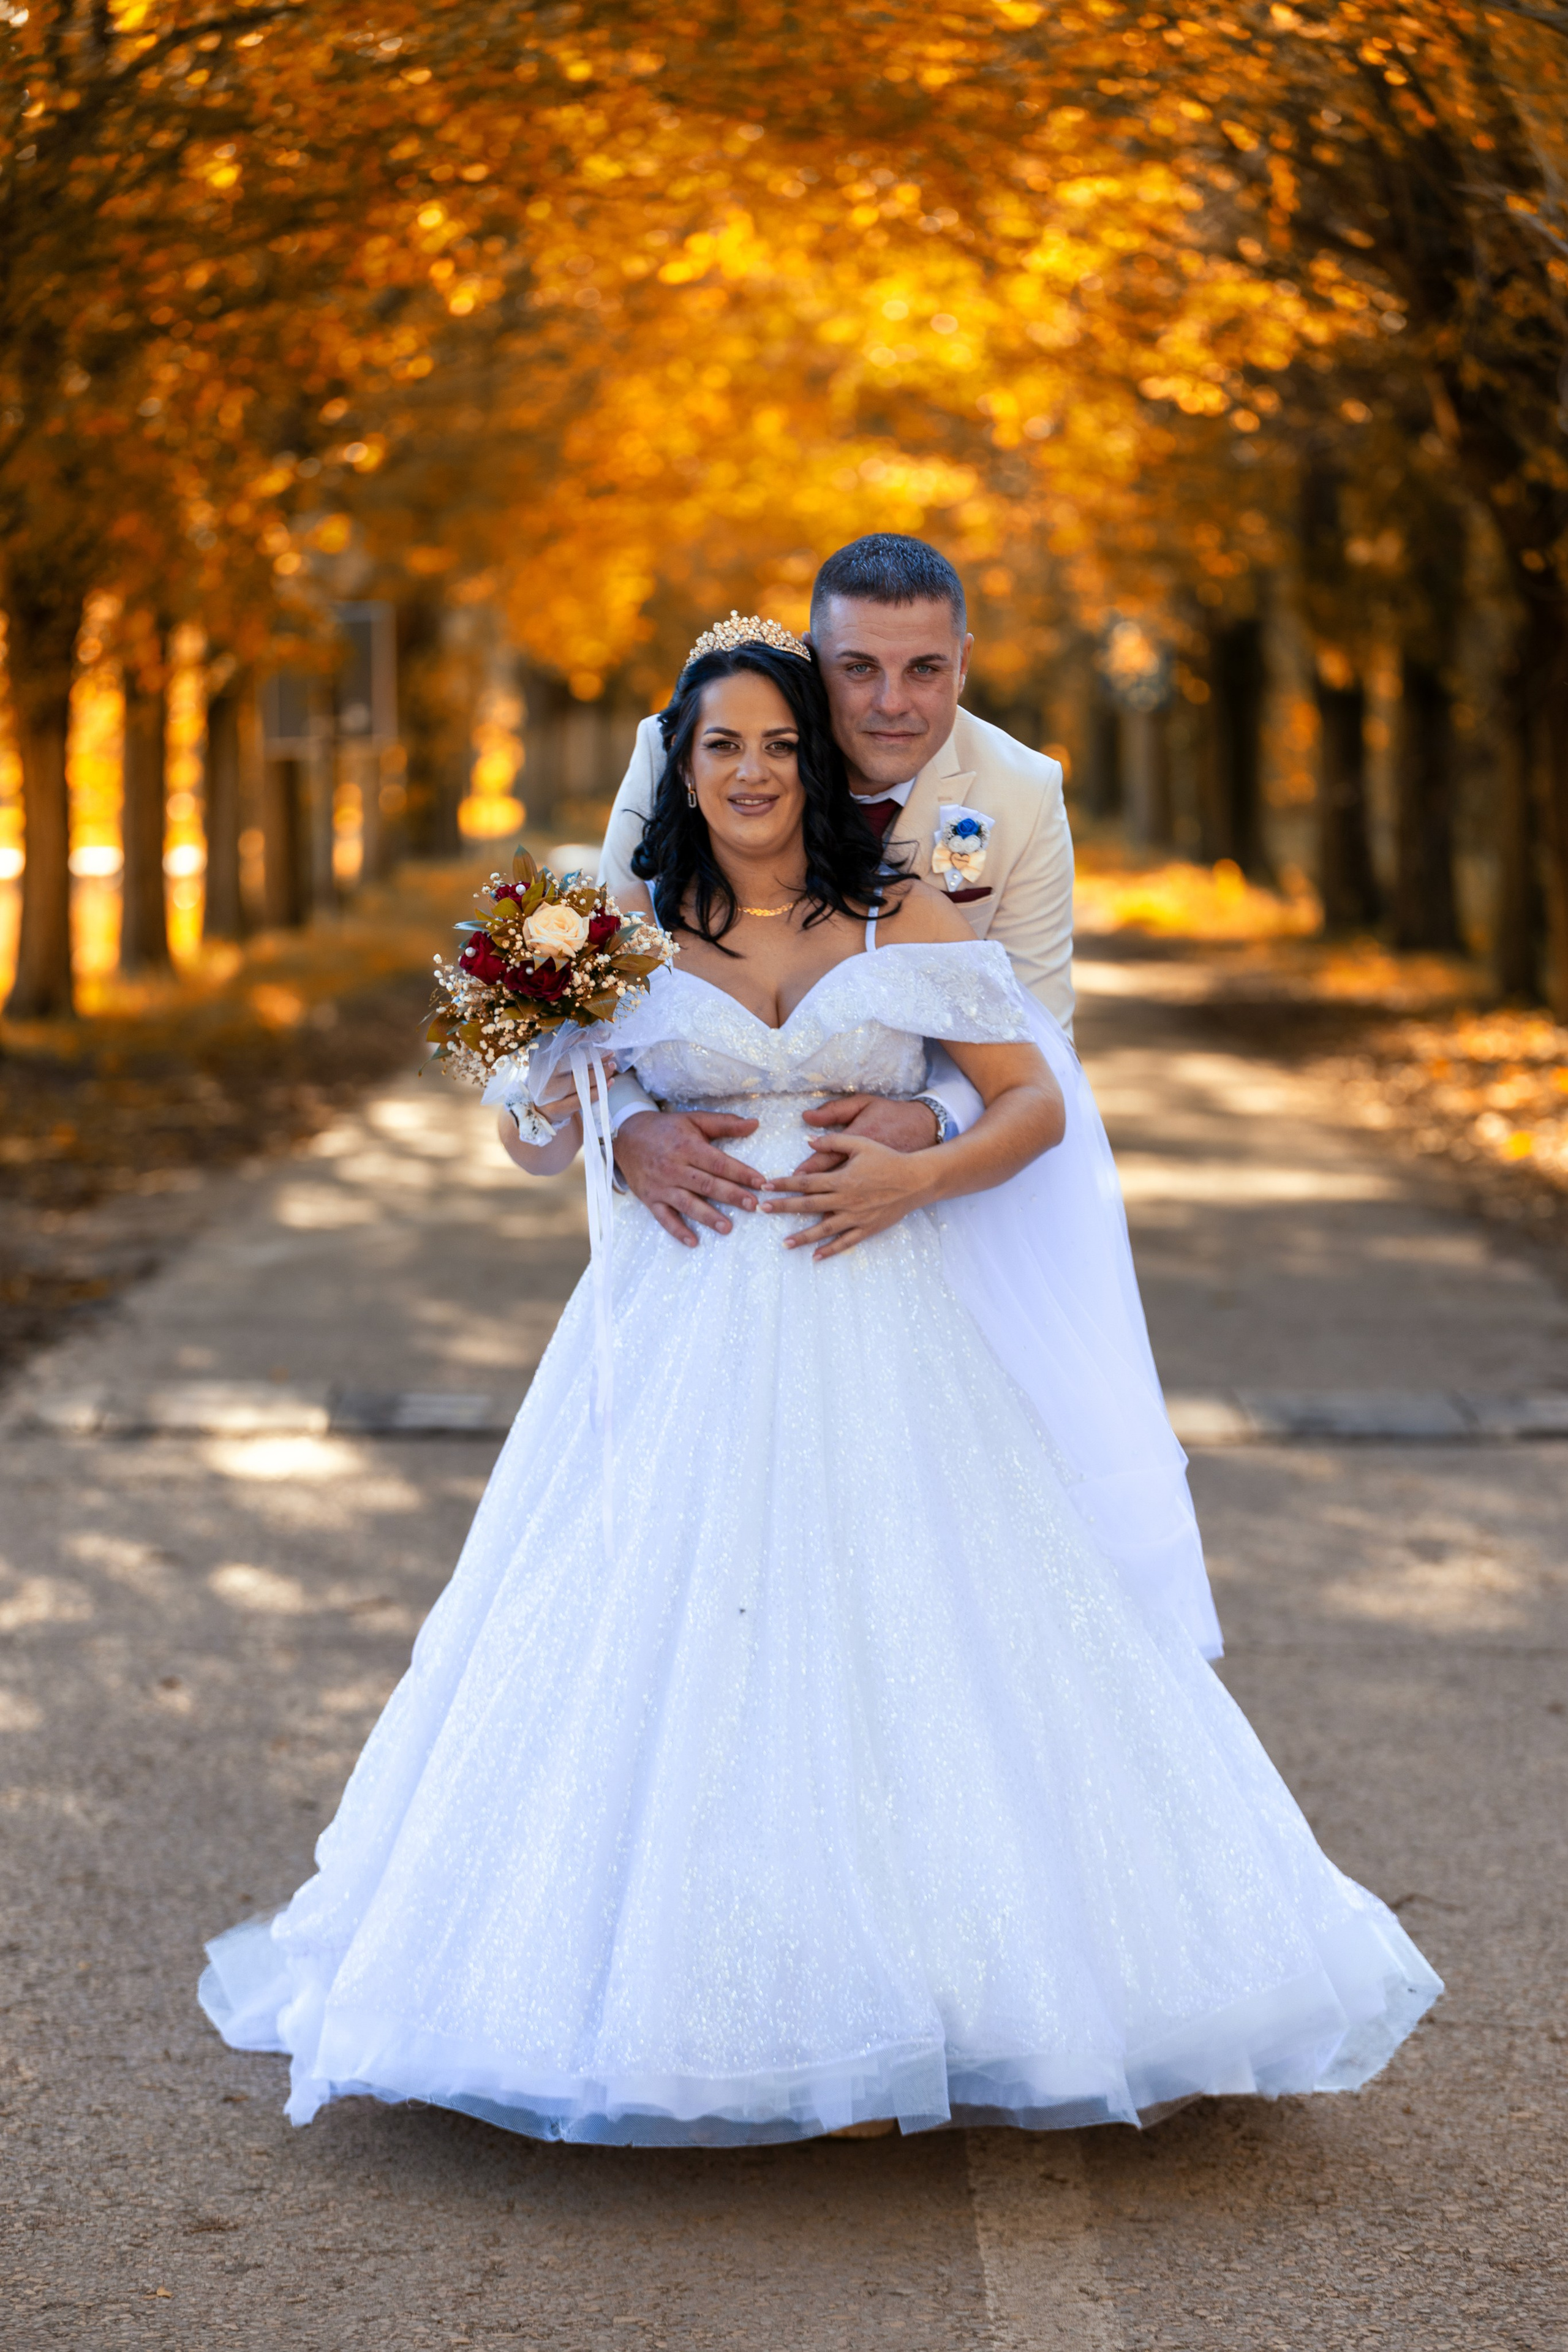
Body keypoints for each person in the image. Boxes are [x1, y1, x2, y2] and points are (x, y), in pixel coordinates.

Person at [199, 619, 1439, 2148]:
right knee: (663, 1631)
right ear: (682, 765)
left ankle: (970, 1987)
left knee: (924, 1626)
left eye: (779, 745)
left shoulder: (899, 907)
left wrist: (919, 1170)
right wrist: (612, 1124)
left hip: (879, 1313)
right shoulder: (618, 927)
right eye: (721, 746)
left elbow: (1032, 1105)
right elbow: (532, 1138)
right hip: (682, 1326)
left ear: (814, 762)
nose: (751, 773)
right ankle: (674, 2006)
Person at [597, 535, 1075, 1248]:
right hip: (699, 1222)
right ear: (812, 661)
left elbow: (1040, 1039)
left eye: (924, 669)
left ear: (963, 664)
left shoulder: (1022, 791)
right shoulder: (692, 742)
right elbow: (597, 985)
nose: (891, 703)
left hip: (916, 1208)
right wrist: (626, 1129)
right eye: (857, 668)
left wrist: (932, 1118)